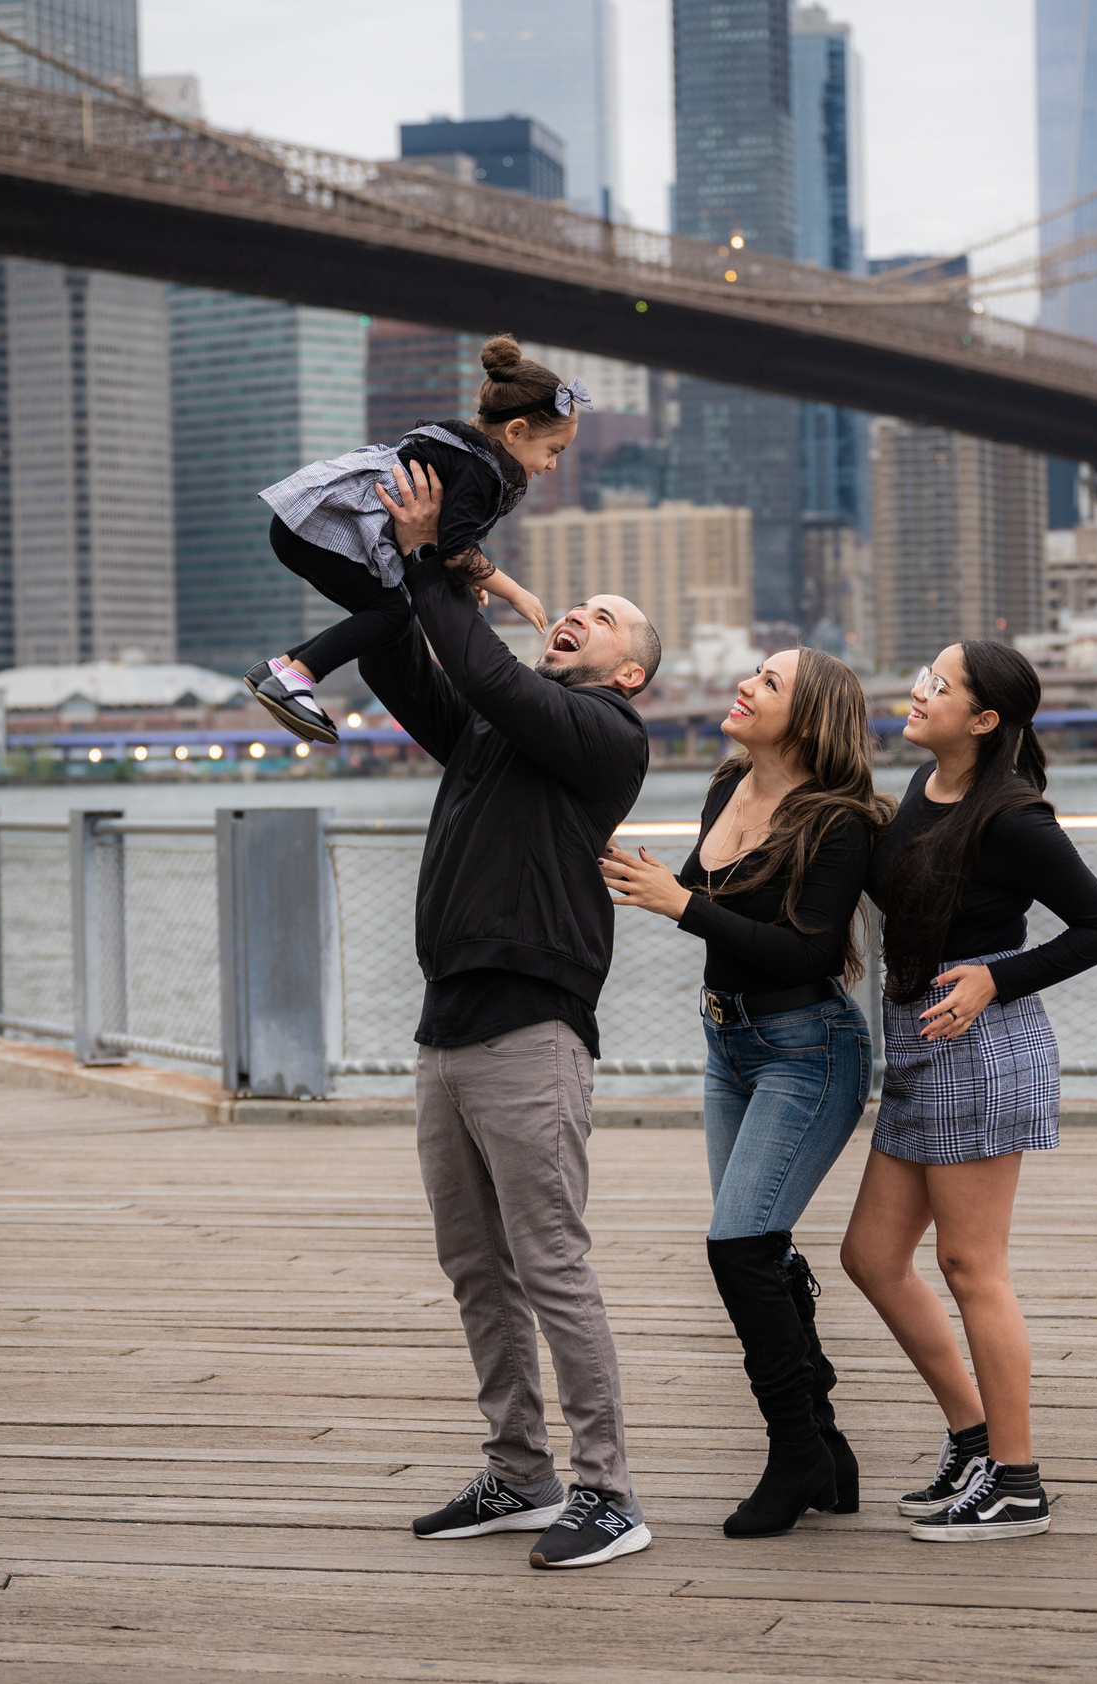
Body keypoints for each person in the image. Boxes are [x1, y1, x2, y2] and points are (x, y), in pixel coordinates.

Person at [353, 458, 665, 1571]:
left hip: (532, 1029)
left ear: (629, 672)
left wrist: (444, 565)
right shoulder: (498, 732)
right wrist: (393, 566)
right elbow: (410, 662)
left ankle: (610, 1492)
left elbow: (486, 678)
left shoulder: (605, 741)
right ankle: (519, 1471)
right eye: (573, 608)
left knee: (550, 1263)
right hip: (445, 1031)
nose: (577, 614)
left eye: (607, 619)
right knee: (475, 1268)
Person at [840, 640, 1097, 1543]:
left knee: (973, 1269)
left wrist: (998, 979)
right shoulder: (918, 798)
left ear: (984, 720)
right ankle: (974, 1440)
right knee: (871, 1257)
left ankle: (1017, 1482)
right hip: (917, 1048)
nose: (919, 690)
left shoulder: (1012, 819)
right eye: (924, 675)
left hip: (982, 1047)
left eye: (941, 685)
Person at [598, 648, 887, 1539]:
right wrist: (650, 883)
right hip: (728, 1041)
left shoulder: (842, 822)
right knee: (757, 1247)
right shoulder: (728, 786)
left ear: (807, 719)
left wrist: (676, 903)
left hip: (809, 1048)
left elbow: (804, 950)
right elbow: (725, 912)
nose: (746, 685)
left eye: (769, 682)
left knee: (738, 1246)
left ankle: (794, 1451)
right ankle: (827, 1450)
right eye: (753, 672)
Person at [244, 335, 584, 745]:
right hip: (318, 528)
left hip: (305, 521)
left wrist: (472, 577)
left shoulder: (463, 451)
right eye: (553, 450)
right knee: (393, 616)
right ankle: (297, 676)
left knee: (385, 614)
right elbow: (457, 550)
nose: (551, 464)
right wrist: (513, 592)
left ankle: (280, 668)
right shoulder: (480, 471)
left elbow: (450, 537)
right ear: (516, 431)